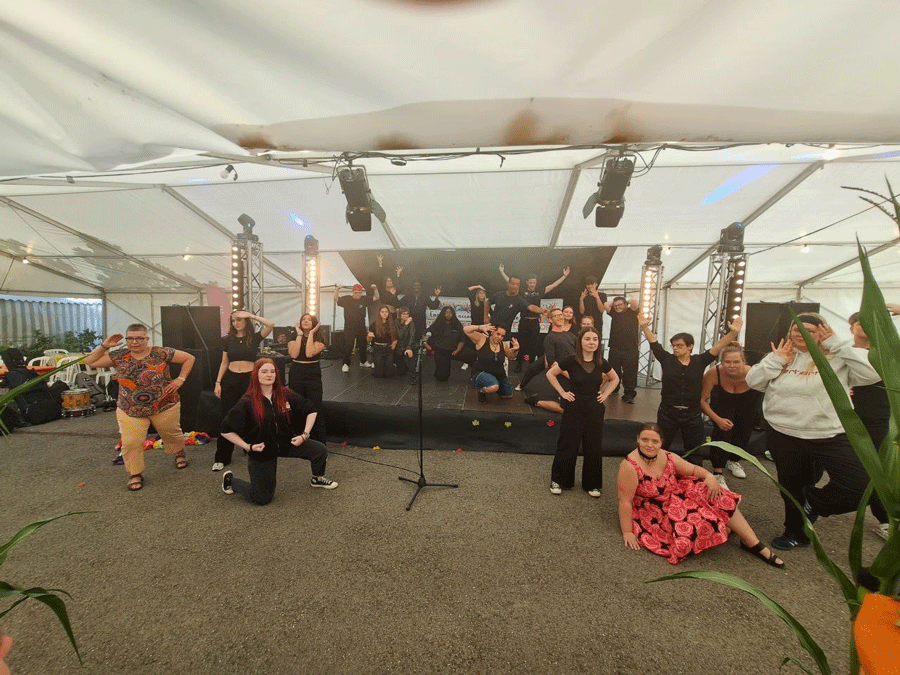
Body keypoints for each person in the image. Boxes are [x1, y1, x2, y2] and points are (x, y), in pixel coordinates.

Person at [746, 313, 880, 551]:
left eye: (810, 329)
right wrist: (776, 360)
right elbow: (753, 381)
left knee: (861, 484)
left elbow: (872, 374)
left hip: (828, 434)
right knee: (791, 486)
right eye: (797, 329)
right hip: (784, 433)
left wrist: (837, 345)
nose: (801, 334)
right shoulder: (782, 355)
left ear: (823, 333)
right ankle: (795, 532)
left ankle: (814, 503)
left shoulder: (839, 355)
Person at [617, 423, 784, 567]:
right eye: (645, 440)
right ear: (638, 439)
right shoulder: (630, 465)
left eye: (655, 441)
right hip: (653, 511)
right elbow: (625, 501)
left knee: (718, 496)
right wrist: (627, 532)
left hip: (675, 496)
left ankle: (753, 543)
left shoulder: (667, 456)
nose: (649, 445)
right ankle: (724, 526)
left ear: (661, 442)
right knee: (684, 541)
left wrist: (710, 477)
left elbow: (694, 469)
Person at [84, 323, 195, 491]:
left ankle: (179, 452)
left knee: (171, 433)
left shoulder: (160, 352)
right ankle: (135, 473)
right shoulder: (118, 356)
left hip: (164, 405)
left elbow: (189, 358)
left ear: (147, 339)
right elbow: (89, 361)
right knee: (130, 442)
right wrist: (104, 346)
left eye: (139, 338)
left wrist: (181, 379)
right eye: (130, 338)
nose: (135, 342)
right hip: (130, 409)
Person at [220, 359, 337, 504]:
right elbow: (225, 430)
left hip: (286, 442)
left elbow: (311, 410)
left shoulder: (285, 393)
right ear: (256, 375)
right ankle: (231, 481)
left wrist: (304, 435)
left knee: (319, 450)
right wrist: (248, 447)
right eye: (264, 371)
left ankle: (317, 478)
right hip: (263, 449)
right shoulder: (247, 401)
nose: (269, 375)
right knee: (262, 498)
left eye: (272, 371)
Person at [639, 315, 743, 464]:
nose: (675, 348)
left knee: (694, 450)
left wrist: (732, 333)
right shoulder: (666, 359)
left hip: (692, 414)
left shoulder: (700, 361)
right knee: (661, 447)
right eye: (673, 345)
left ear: (690, 347)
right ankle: (657, 475)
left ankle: (693, 480)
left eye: (679, 345)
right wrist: (644, 326)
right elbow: (654, 343)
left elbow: (718, 346)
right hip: (668, 413)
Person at [546, 326, 618, 496]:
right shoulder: (570, 360)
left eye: (594, 339)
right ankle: (559, 480)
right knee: (567, 443)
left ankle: (592, 484)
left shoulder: (601, 362)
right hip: (574, 407)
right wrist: (562, 393)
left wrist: (605, 394)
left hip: (595, 408)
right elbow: (551, 374)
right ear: (580, 342)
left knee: (593, 445)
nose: (591, 342)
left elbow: (615, 378)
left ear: (598, 343)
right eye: (587, 339)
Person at [848, 309, 897, 540]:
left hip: (877, 418)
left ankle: (886, 520)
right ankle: (810, 507)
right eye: (860, 323)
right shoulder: (842, 353)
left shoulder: (888, 353)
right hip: (841, 418)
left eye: (869, 323)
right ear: (851, 328)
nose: (864, 327)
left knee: (877, 470)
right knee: (826, 464)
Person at [212, 310, 274, 471]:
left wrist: (251, 315)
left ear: (246, 321)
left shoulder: (253, 338)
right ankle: (222, 457)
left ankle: (252, 448)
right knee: (228, 416)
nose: (236, 323)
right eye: (234, 321)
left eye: (240, 320)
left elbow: (270, 325)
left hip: (249, 380)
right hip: (231, 379)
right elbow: (224, 362)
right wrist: (218, 382)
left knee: (253, 414)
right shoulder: (227, 340)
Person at [699, 343, 761, 488]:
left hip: (747, 406)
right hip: (722, 406)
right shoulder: (713, 373)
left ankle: (733, 460)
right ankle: (718, 472)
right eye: (727, 362)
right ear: (721, 362)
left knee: (743, 433)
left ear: (744, 362)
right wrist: (717, 419)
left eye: (736, 362)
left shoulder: (753, 373)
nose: (732, 365)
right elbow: (702, 401)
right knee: (722, 434)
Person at [498, 264, 569, 372]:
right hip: (523, 321)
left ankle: (531, 366)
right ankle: (519, 364)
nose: (532, 284)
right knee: (520, 342)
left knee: (534, 345)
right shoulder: (521, 291)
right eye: (530, 282)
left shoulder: (539, 291)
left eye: (534, 282)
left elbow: (553, 285)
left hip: (535, 322)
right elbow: (511, 283)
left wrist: (564, 276)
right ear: (527, 283)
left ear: (536, 283)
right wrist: (502, 272)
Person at [287, 313, 326, 443]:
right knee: (296, 405)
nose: (305, 321)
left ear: (314, 323)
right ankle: (297, 439)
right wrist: (299, 334)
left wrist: (311, 334)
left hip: (312, 373)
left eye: (309, 319)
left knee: (315, 407)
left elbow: (309, 353)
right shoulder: (294, 336)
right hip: (296, 372)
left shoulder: (320, 338)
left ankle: (319, 442)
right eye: (303, 319)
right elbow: (294, 354)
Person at [463, 323, 519, 402]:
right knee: (493, 387)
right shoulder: (482, 339)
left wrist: (516, 349)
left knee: (507, 395)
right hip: (481, 372)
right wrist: (479, 327)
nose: (499, 337)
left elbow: (511, 356)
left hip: (498, 375)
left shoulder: (503, 344)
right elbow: (465, 329)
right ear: (492, 332)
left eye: (502, 336)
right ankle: (481, 391)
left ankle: (494, 384)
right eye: (498, 334)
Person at [605, 296, 640, 403]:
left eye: (620, 305)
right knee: (614, 370)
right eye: (615, 306)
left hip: (631, 348)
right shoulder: (614, 313)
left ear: (626, 304)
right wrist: (616, 303)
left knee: (630, 372)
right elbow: (606, 304)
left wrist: (626, 301)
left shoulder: (632, 311)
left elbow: (635, 302)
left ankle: (629, 394)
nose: (617, 307)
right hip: (615, 347)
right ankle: (614, 388)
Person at [335, 283, 378, 372]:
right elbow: (336, 299)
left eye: (359, 293)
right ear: (353, 292)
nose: (358, 294)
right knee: (349, 345)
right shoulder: (347, 299)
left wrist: (375, 289)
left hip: (361, 326)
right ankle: (345, 364)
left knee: (363, 344)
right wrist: (337, 290)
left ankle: (363, 361)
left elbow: (376, 297)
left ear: (361, 292)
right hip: (349, 327)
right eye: (356, 293)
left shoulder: (364, 299)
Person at [425, 306, 468, 381]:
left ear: (453, 314)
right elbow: (426, 333)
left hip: (452, 351)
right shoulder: (437, 324)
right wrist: (428, 347)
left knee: (446, 375)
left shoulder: (457, 325)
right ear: (443, 314)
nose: (448, 314)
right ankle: (438, 372)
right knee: (441, 377)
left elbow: (462, 339)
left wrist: (458, 350)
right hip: (439, 350)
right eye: (446, 312)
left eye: (450, 313)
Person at [368, 305, 398, 378]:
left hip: (388, 348)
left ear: (388, 313)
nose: (384, 313)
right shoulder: (373, 325)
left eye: (386, 312)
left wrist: (395, 341)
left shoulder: (393, 324)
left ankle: (390, 365)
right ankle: (376, 365)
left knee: (388, 374)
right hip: (378, 348)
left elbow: (396, 336)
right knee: (379, 374)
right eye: (382, 312)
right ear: (379, 313)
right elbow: (369, 341)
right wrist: (369, 336)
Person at [578, 276, 608, 345]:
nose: (590, 286)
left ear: (596, 284)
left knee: (596, 344)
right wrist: (581, 299)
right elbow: (581, 311)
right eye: (588, 284)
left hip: (597, 324)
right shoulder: (583, 296)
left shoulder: (602, 295)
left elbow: (602, 310)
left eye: (592, 284)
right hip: (585, 324)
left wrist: (597, 297)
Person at [394, 306, 417, 377]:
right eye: (404, 314)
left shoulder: (411, 322)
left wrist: (409, 347)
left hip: (408, 346)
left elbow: (412, 335)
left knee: (412, 369)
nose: (406, 316)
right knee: (401, 372)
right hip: (399, 348)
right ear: (400, 314)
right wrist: (406, 324)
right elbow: (400, 336)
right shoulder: (396, 322)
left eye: (407, 314)